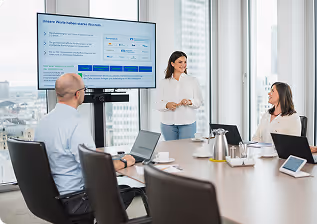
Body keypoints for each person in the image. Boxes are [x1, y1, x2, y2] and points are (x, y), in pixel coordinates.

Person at [34, 73, 137, 215]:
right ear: (78, 94)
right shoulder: (76, 124)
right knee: (127, 191)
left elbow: (62, 152)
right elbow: (96, 169)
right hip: (75, 200)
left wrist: (96, 153)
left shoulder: (43, 122)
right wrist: (124, 162)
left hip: (50, 199)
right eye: (84, 89)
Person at [156, 51, 203, 141]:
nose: (183, 64)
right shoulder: (163, 82)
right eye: (180, 62)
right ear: (172, 64)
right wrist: (167, 105)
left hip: (188, 123)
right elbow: (158, 104)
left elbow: (199, 102)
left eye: (185, 62)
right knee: (171, 152)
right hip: (167, 124)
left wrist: (190, 102)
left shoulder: (193, 81)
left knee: (185, 152)